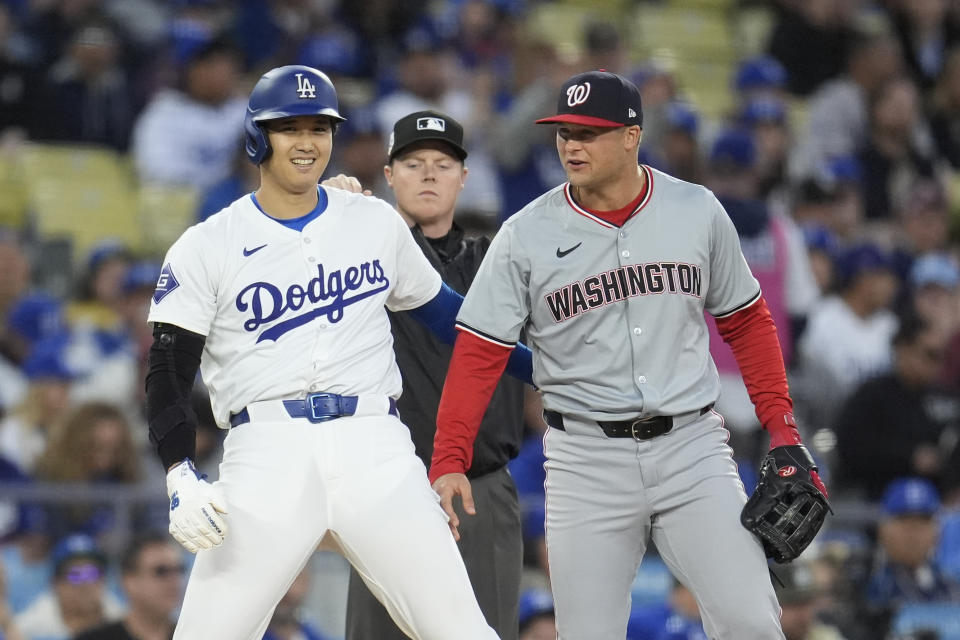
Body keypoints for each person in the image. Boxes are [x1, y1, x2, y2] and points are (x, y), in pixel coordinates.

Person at [428, 70, 829, 639]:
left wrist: (783, 428)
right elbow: (478, 355)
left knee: (752, 622)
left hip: (692, 449)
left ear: (631, 136)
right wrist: (449, 458)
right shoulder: (526, 233)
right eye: (564, 132)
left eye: (589, 133)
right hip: (585, 459)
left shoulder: (696, 210)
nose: (572, 144)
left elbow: (748, 323)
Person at [144, 65, 530, 639]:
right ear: (258, 137)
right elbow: (168, 369)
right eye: (290, 127)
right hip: (267, 450)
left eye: (319, 128)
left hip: (375, 446)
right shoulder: (208, 243)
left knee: (462, 629)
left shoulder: (372, 220)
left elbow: (451, 317)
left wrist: (545, 369)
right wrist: (179, 471)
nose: (307, 143)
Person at [344, 111, 525, 639]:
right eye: (414, 163)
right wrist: (335, 212)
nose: (428, 174)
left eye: (443, 164)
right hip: (388, 486)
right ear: (388, 175)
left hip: (481, 486)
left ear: (463, 178)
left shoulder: (498, 259)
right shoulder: (358, 259)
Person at [74, 531, 185, 640]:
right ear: (129, 581)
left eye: (179, 570)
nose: (174, 581)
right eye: (161, 571)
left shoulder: (194, 635)